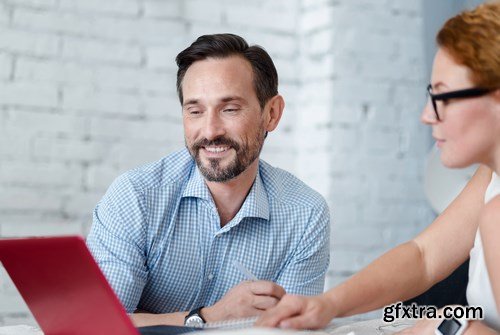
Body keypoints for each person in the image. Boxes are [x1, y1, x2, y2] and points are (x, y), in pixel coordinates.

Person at [257, 2, 500, 334]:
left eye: (442, 97)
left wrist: (454, 327)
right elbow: (424, 256)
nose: (427, 115)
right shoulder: (491, 178)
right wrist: (329, 304)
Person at [86, 33, 330, 327]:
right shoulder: (136, 196)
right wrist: (210, 317)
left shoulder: (305, 213)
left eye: (230, 109)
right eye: (195, 111)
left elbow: (288, 332)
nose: (210, 130)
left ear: (272, 114)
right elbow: (95, 325)